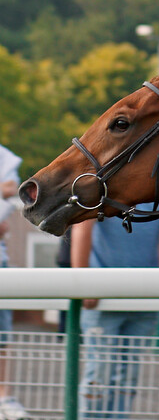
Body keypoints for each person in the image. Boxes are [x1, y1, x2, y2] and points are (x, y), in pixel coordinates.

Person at [71, 203, 159, 419]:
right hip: (101, 294)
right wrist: (83, 281)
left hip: (144, 292)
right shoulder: (105, 181)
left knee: (129, 374)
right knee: (99, 371)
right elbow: (82, 227)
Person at [0, 145, 28, 420]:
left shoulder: (5, 156)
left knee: (1, 336)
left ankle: (3, 396)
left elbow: (10, 189)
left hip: (0, 260)